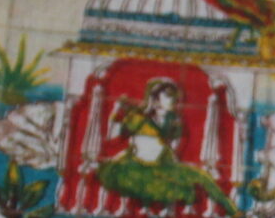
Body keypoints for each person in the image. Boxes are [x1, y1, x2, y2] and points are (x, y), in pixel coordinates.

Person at [97, 78, 230, 210]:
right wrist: (117, 111)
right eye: (167, 96)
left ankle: (230, 208)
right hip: (135, 164)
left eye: (174, 96)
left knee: (198, 178)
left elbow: (174, 147)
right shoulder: (138, 118)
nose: (172, 100)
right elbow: (112, 136)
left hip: (162, 163)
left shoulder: (174, 121)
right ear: (155, 99)